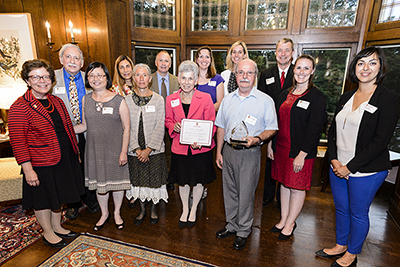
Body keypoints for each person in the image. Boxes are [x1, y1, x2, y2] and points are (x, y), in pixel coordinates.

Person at [316, 46, 400, 267]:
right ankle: (341, 245)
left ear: (380, 67)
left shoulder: (388, 99)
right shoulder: (346, 96)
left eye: (373, 63)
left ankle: (352, 253)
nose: (366, 68)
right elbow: (332, 130)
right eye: (362, 62)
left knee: (358, 212)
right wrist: (334, 160)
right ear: (355, 66)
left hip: (367, 169)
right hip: (338, 166)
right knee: (342, 208)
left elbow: (380, 141)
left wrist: (349, 167)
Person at [9, 59, 84, 248]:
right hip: (41, 162)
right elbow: (18, 142)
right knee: (43, 199)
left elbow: (68, 128)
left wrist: (75, 153)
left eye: (45, 76)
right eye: (35, 77)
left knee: (58, 196)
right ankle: (48, 232)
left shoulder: (56, 101)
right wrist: (28, 170)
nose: (42, 80)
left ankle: (57, 226)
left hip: (63, 158)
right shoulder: (20, 106)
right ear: (27, 80)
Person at [215, 59, 278, 250]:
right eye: (241, 72)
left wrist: (258, 139)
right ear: (235, 75)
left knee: (246, 193)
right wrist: (218, 151)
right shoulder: (227, 99)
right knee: (230, 192)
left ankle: (243, 230)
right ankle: (231, 225)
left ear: (255, 76)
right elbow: (221, 127)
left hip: (250, 153)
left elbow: (272, 128)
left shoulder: (265, 101)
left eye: (249, 73)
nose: (244, 76)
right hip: (228, 151)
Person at [270, 55, 327, 241]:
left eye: (306, 68)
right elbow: (276, 121)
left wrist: (302, 155)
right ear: (293, 70)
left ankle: (291, 223)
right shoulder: (285, 92)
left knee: (296, 187)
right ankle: (283, 219)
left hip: (300, 151)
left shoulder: (317, 97)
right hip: (281, 147)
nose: (301, 72)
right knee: (284, 185)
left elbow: (315, 129)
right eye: (299, 68)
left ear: (312, 71)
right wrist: (271, 144)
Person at [74, 61, 131, 231]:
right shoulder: (85, 100)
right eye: (91, 75)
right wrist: (64, 130)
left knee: (117, 184)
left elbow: (127, 127)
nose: (96, 79)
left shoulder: (119, 100)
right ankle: (104, 214)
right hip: (94, 150)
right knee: (101, 185)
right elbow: (84, 126)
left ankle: (117, 213)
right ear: (88, 79)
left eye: (100, 75)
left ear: (106, 78)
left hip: (115, 150)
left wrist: (123, 152)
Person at [165, 60, 216, 228]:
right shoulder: (171, 99)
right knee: (183, 180)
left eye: (190, 79)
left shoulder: (206, 98)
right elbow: (168, 120)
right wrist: (174, 126)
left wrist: (201, 141)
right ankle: (185, 209)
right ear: (179, 79)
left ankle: (194, 209)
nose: (187, 82)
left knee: (199, 181)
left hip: (200, 149)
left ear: (196, 81)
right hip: (180, 147)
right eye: (183, 78)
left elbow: (211, 123)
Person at [53, 44, 100, 219]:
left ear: (82, 62)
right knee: (70, 167)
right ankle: (72, 202)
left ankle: (90, 198)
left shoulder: (89, 78)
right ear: (61, 59)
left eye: (76, 58)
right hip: (64, 132)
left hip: (87, 130)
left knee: (89, 165)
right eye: (68, 57)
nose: (72, 61)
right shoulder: (52, 79)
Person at [125, 63, 168, 226]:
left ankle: (154, 209)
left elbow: (160, 125)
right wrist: (137, 149)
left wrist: (149, 149)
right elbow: (126, 125)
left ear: (150, 79)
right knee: (138, 180)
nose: (141, 78)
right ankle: (142, 210)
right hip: (135, 149)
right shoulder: (126, 100)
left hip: (154, 149)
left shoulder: (158, 99)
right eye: (138, 75)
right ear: (133, 79)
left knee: (154, 180)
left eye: (144, 75)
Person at [258, 38, 295, 207]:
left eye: (287, 50)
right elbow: (260, 100)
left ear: (292, 53)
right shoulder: (266, 74)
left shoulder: (298, 73)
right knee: (269, 161)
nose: (283, 54)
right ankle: (267, 194)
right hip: (268, 124)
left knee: (285, 162)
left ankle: (283, 198)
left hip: (290, 126)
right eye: (280, 50)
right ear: (275, 53)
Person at [150, 50, 180, 191]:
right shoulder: (148, 79)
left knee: (171, 152)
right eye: (160, 60)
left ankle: (170, 178)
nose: (163, 63)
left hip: (172, 123)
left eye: (166, 61)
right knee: (155, 152)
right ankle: (156, 178)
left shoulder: (177, 80)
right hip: (153, 123)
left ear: (170, 64)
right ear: (156, 63)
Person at [110, 55, 136, 209]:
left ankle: (137, 192)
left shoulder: (141, 83)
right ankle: (128, 193)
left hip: (139, 130)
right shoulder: (114, 90)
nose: (126, 70)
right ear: (118, 70)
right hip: (123, 131)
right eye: (122, 67)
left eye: (128, 66)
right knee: (126, 163)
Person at [195, 46, 224, 110]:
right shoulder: (191, 79)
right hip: (192, 118)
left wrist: (205, 110)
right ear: (197, 59)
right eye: (201, 56)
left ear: (211, 60)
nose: (204, 60)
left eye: (207, 57)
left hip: (211, 117)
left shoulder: (218, 79)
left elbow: (220, 103)